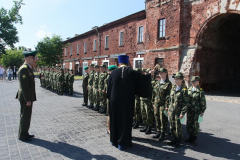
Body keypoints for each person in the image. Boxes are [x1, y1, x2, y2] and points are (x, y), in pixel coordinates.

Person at [107, 55, 152, 150]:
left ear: (119, 63)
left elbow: (109, 88)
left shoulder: (113, 73)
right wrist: (149, 75)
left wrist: (110, 98)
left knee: (114, 119)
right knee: (125, 121)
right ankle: (122, 143)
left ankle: (113, 140)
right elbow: (142, 81)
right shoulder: (132, 72)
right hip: (127, 101)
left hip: (114, 100)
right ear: (127, 63)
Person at [16, 51, 37, 142]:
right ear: (27, 58)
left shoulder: (28, 68)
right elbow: (24, 86)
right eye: (33, 58)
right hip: (26, 97)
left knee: (27, 115)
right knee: (25, 116)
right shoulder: (24, 69)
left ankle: (25, 132)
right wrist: (28, 99)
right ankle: (22, 135)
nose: (34, 60)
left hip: (27, 97)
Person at [166, 72, 189, 148]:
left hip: (178, 112)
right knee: (172, 126)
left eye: (177, 79)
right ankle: (174, 139)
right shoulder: (173, 88)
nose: (175, 80)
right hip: (172, 111)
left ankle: (178, 141)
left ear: (182, 80)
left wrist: (182, 113)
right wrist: (168, 108)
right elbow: (170, 99)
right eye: (175, 79)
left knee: (178, 126)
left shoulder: (184, 90)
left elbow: (185, 103)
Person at [152, 68, 172, 141]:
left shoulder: (168, 83)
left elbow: (169, 95)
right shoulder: (157, 82)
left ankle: (163, 133)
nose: (160, 74)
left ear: (166, 73)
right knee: (157, 117)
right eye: (160, 72)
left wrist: (167, 105)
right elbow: (154, 93)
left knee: (163, 118)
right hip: (156, 103)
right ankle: (158, 131)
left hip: (163, 104)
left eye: (162, 72)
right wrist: (153, 102)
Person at [186, 76, 206, 145]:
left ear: (198, 82)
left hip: (196, 111)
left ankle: (194, 138)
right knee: (189, 123)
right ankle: (190, 136)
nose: (193, 83)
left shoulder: (200, 90)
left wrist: (202, 110)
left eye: (194, 81)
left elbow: (203, 101)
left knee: (195, 124)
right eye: (192, 81)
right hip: (189, 110)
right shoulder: (189, 89)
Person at [140, 69, 154, 134]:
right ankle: (145, 126)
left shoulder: (152, 81)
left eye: (145, 73)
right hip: (142, 99)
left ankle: (149, 127)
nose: (144, 74)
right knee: (144, 114)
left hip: (148, 100)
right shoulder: (142, 79)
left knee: (149, 115)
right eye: (143, 73)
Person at [105, 65, 117, 134]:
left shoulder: (112, 77)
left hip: (113, 97)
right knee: (110, 115)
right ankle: (109, 129)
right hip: (110, 98)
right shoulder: (109, 78)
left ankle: (112, 128)